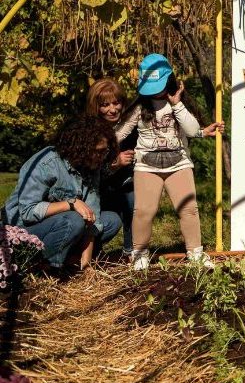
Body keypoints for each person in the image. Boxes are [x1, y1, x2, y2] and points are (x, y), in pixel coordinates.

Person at [116, 53, 224, 271]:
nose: (155, 91)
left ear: (169, 81)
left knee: (189, 209)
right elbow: (119, 133)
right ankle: (139, 254)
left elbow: (192, 131)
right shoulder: (139, 107)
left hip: (179, 164)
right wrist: (104, 146)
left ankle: (195, 253)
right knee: (144, 211)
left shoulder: (179, 104)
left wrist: (177, 104)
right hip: (147, 166)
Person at [4, 116, 121, 271]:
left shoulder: (93, 166)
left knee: (111, 220)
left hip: (63, 225)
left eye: (105, 151)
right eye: (98, 152)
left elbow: (93, 218)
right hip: (24, 230)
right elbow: (27, 211)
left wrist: (86, 267)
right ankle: (48, 266)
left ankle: (73, 260)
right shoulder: (47, 163)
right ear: (81, 148)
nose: (102, 157)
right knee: (73, 220)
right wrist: (70, 204)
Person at [85, 78, 137, 256]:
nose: (112, 109)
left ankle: (132, 250)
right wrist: (115, 164)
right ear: (96, 106)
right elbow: (89, 173)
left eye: (116, 103)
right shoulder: (89, 132)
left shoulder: (131, 127)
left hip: (127, 184)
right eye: (105, 105)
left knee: (133, 199)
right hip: (98, 189)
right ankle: (90, 250)